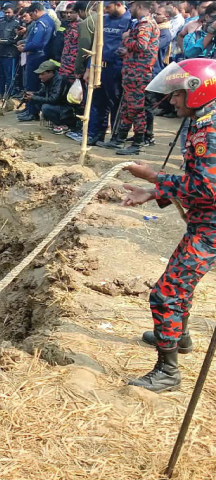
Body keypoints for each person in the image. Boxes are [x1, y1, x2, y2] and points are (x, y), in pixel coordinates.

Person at [120, 58, 216, 393]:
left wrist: (153, 178)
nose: (172, 101)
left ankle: (167, 372)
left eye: (176, 94)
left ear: (196, 91)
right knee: (179, 286)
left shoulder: (211, 129)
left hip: (212, 229)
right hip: (205, 222)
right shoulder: (202, 120)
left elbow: (207, 187)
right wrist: (151, 192)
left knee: (165, 294)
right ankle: (180, 336)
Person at [98, 1, 159, 155]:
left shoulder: (145, 24)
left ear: (139, 7)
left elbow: (141, 45)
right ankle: (118, 140)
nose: (129, 10)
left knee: (136, 109)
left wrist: (125, 38)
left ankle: (138, 143)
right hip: (132, 72)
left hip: (138, 74)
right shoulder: (142, 23)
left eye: (131, 7)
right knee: (126, 108)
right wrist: (127, 50)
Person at [88, 1, 131, 146]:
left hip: (116, 69)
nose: (105, 10)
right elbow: (93, 45)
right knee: (98, 103)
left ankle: (115, 137)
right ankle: (96, 135)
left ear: (118, 4)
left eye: (108, 7)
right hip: (99, 67)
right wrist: (89, 68)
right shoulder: (104, 20)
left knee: (116, 104)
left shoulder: (130, 21)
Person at [17, 3, 55, 122]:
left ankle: (32, 112)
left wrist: (25, 48)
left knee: (32, 85)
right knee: (32, 84)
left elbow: (37, 43)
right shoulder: (47, 20)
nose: (30, 17)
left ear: (36, 11)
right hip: (39, 54)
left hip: (37, 55)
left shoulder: (41, 23)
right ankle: (29, 108)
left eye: (31, 14)